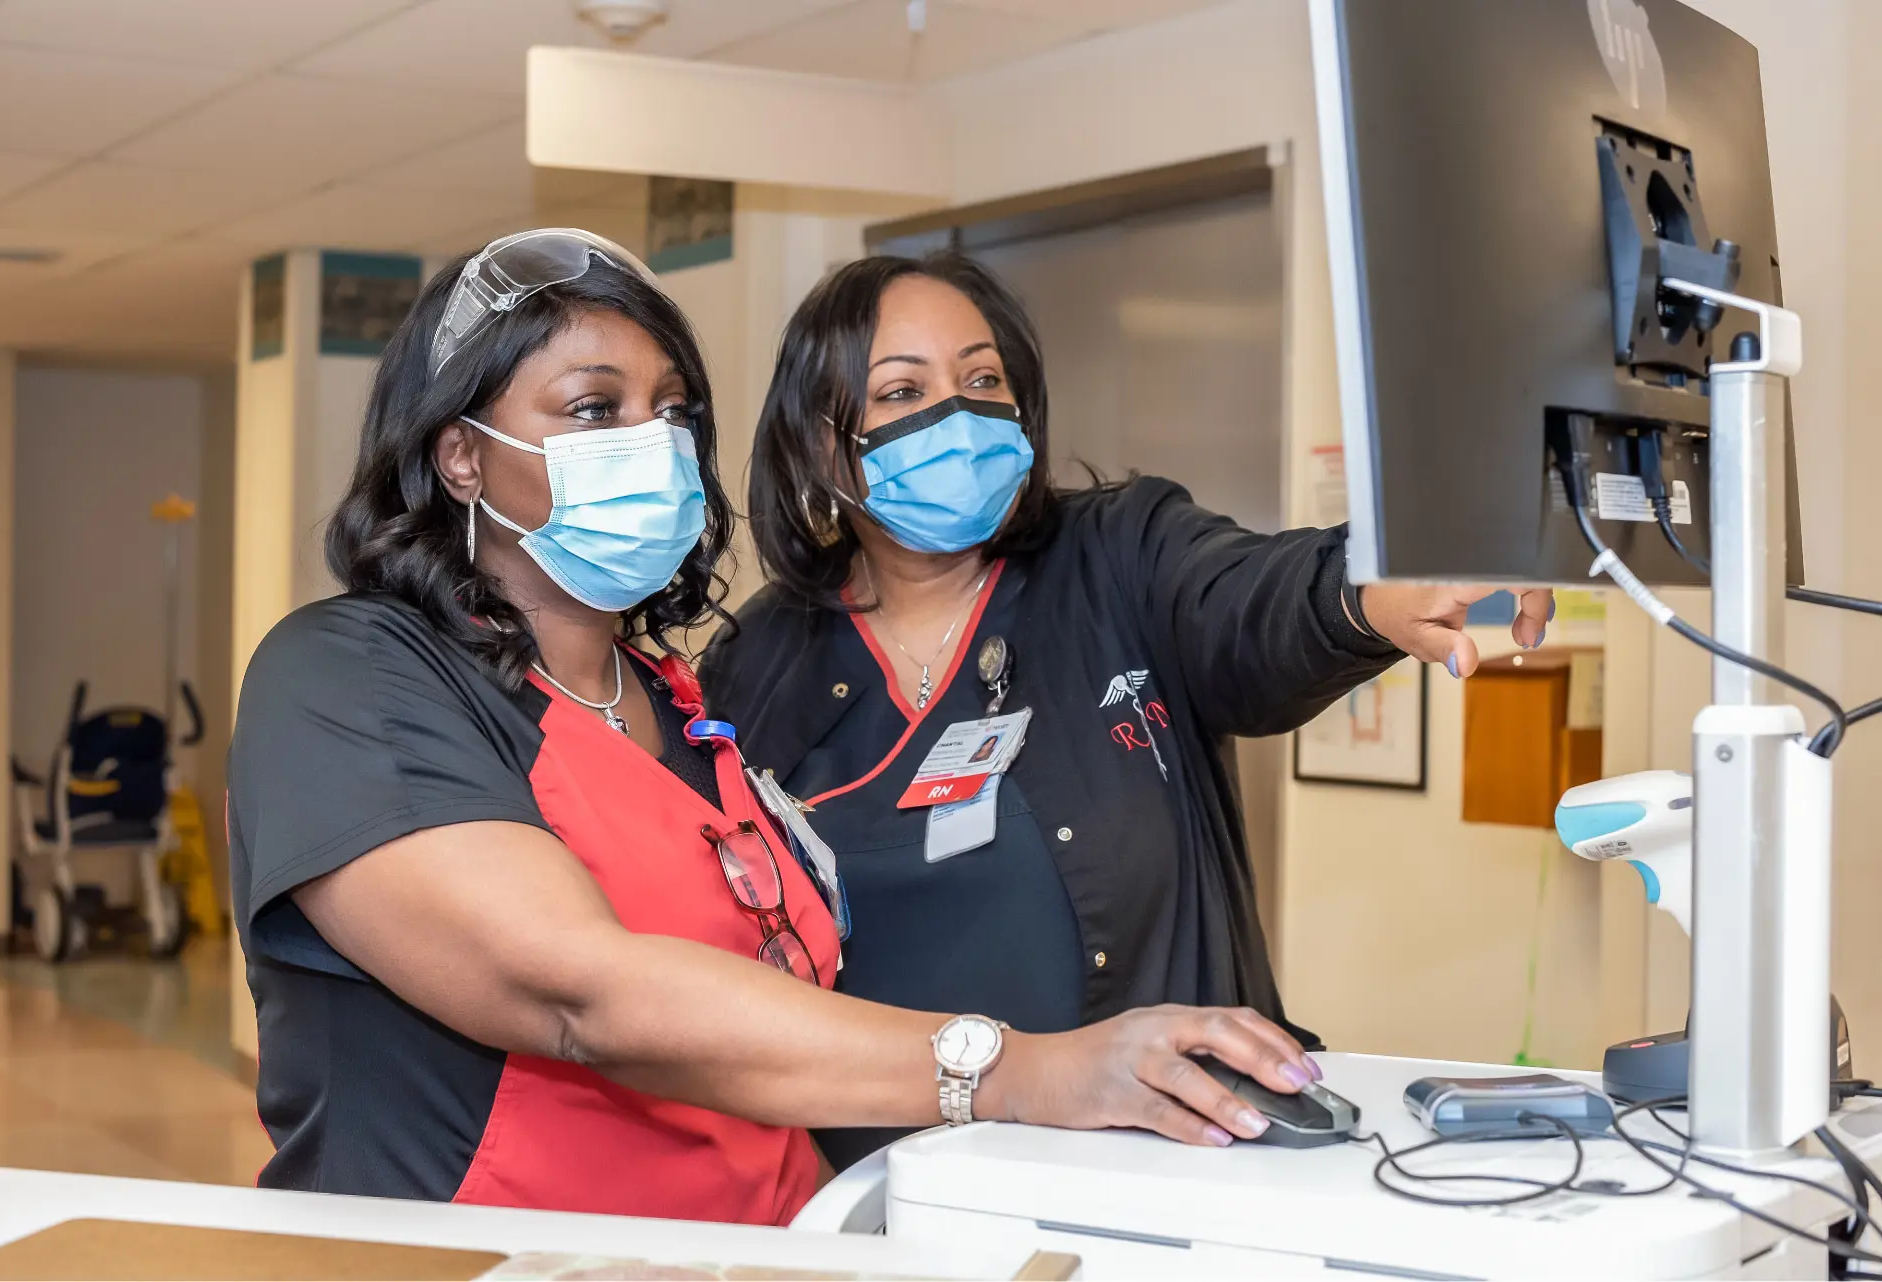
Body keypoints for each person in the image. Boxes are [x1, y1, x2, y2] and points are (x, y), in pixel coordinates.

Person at [227, 230, 1326, 1228]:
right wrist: (1007, 1067)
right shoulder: (350, 677)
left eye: (671, 412)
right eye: (594, 408)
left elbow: (774, 1017)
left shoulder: (687, 710)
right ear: (462, 456)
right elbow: (578, 992)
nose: (651, 443)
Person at [700, 252, 1552, 1168]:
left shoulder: (1119, 556)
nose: (957, 413)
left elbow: (1249, 605)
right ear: (824, 443)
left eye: (982, 378)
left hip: (1166, 1166)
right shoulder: (762, 662)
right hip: (881, 1190)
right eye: (902, 393)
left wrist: (1362, 591)